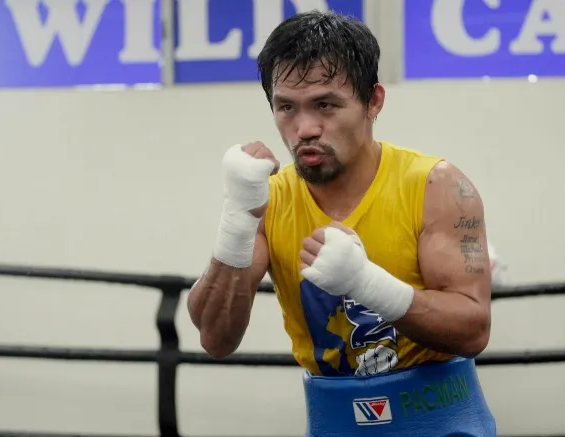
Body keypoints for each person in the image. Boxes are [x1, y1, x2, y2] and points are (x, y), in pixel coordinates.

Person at [187, 10, 497, 437]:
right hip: (334, 424)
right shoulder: (269, 199)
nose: (306, 128)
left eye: (326, 104)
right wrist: (236, 222)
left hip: (442, 423)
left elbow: (473, 328)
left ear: (373, 102)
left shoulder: (435, 187)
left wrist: (367, 283)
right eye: (286, 107)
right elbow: (215, 339)